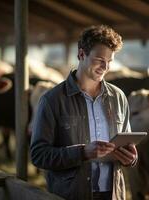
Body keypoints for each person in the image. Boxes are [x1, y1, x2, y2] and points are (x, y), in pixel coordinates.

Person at [30, 25, 138, 200]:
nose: (105, 67)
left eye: (110, 61)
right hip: (71, 194)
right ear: (81, 55)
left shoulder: (118, 98)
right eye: (99, 59)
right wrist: (81, 153)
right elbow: (38, 155)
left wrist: (131, 158)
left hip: (113, 194)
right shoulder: (52, 100)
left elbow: (126, 144)